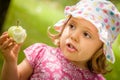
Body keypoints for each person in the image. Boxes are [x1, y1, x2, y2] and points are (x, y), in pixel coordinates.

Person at [0, 0, 120, 80]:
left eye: (86, 34)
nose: (73, 36)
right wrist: (10, 61)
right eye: (72, 26)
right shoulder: (41, 53)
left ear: (101, 48)